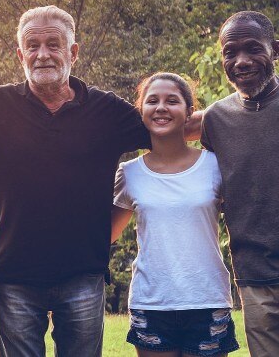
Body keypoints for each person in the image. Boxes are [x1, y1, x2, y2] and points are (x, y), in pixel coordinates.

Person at [0, 5, 203, 356]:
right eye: (32, 45)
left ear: (73, 52)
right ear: (20, 55)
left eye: (54, 44)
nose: (42, 54)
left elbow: (170, 123)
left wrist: (233, 113)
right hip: (14, 272)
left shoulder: (106, 111)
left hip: (83, 273)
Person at [112, 73, 238, 357]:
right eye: (152, 101)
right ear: (141, 110)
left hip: (207, 298)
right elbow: (108, 234)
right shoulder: (129, 173)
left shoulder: (215, 164)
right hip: (152, 301)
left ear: (189, 112)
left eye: (172, 101)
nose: (161, 108)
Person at [201, 11, 279, 355]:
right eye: (230, 52)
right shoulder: (216, 119)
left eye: (252, 48)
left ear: (274, 49)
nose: (241, 61)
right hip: (253, 273)